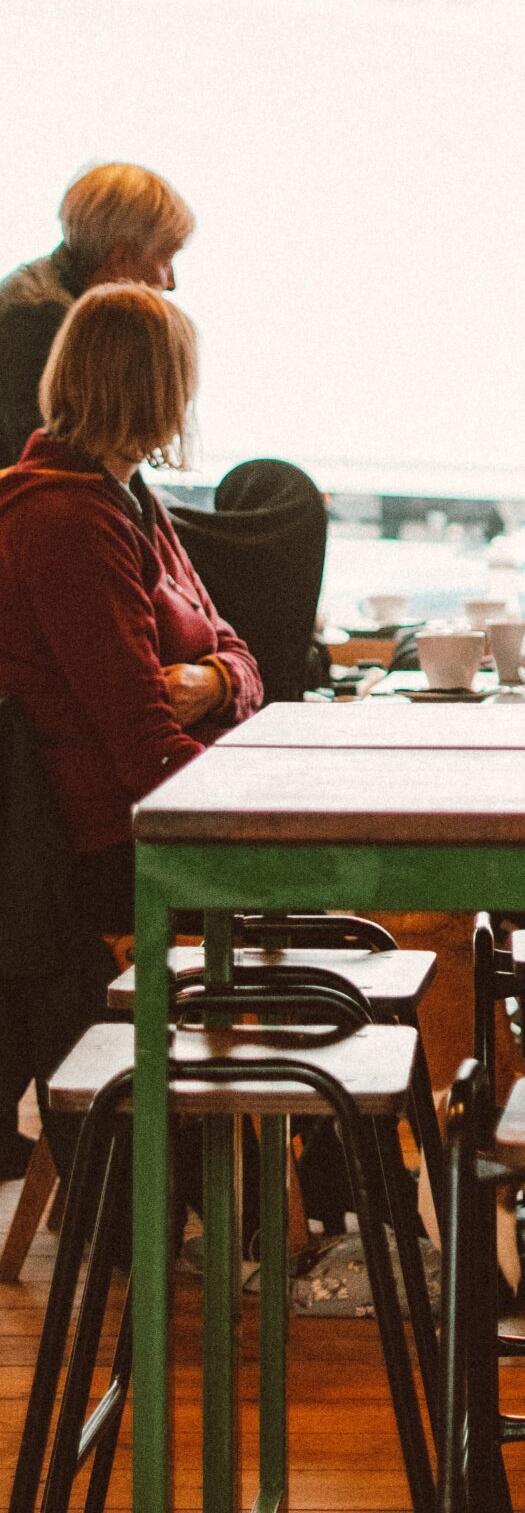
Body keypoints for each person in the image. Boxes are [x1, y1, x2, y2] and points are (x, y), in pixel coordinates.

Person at [0, 283, 262, 1152]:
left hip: (159, 825)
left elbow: (240, 652)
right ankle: (306, 1210)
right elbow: (143, 750)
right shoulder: (66, 517)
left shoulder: (125, 494)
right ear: (153, 390)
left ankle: (322, 1206)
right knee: (388, 930)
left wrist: (219, 681)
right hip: (121, 848)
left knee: (386, 932)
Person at [0, 163, 194, 466]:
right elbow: (60, 474)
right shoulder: (40, 320)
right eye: (165, 259)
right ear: (121, 257)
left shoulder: (47, 298)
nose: (171, 283)